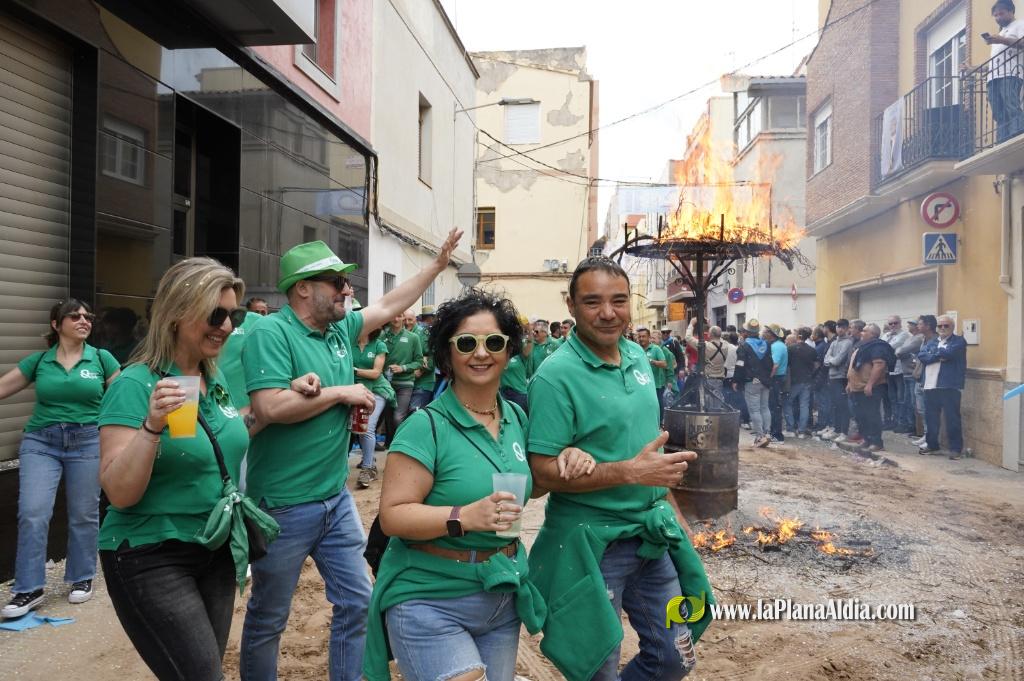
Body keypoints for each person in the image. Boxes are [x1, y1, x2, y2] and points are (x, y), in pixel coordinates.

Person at [240, 231, 461, 681]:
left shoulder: (339, 328)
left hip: (334, 499)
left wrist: (436, 267)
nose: (346, 289)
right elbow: (269, 407)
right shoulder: (271, 332)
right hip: (282, 504)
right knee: (268, 618)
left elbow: (389, 305)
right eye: (335, 282)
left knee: (358, 599)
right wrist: (342, 392)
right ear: (303, 288)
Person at [365, 290, 577, 681]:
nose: (481, 353)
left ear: (509, 351)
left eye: (493, 342)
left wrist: (566, 461)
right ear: (447, 354)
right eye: (467, 343)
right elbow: (392, 516)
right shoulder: (425, 426)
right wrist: (464, 516)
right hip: (430, 597)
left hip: (500, 595)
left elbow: (532, 485)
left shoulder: (515, 416)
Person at [526, 257, 713, 681]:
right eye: (592, 302)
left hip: (650, 537)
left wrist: (673, 512)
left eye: (619, 301)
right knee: (597, 667)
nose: (607, 313)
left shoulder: (638, 357)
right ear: (571, 306)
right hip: (592, 546)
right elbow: (539, 475)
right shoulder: (556, 377)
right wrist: (628, 473)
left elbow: (647, 454)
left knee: (675, 656)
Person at [96, 259, 252, 680]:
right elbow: (120, 491)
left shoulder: (204, 380)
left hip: (214, 547)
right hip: (152, 553)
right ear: (178, 312)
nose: (226, 326)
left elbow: (196, 448)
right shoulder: (134, 384)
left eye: (232, 315)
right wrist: (151, 425)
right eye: (215, 314)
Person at [0, 300, 119, 619]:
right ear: (56, 324)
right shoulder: (39, 361)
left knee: (83, 513)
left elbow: (122, 397)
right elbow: (2, 387)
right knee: (32, 513)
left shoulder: (102, 359)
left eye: (87, 316)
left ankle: (81, 578)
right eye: (75, 316)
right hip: (41, 442)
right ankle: (28, 588)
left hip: (87, 440)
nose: (84, 320)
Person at [917, 315, 968, 459]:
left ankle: (955, 449)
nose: (943, 328)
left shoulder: (959, 341)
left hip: (949, 386)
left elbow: (950, 353)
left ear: (952, 327)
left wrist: (933, 355)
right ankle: (932, 445)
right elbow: (921, 355)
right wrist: (938, 356)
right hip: (930, 386)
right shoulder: (933, 341)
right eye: (940, 326)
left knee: (952, 419)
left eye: (946, 326)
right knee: (931, 419)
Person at [353, 320, 396, 489]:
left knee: (368, 428)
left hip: (377, 390)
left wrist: (354, 370)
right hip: (357, 390)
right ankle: (370, 462)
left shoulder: (379, 345)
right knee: (358, 429)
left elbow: (376, 373)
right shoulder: (349, 344)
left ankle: (367, 468)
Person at [845, 324, 894, 453]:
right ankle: (866, 439)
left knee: (872, 415)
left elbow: (879, 365)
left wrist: (870, 384)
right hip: (857, 387)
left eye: (865, 331)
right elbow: (853, 367)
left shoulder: (877, 346)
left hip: (871, 387)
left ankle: (876, 442)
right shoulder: (862, 346)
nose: (862, 333)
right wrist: (850, 383)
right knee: (861, 415)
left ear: (872, 334)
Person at [984, 1, 1024, 143]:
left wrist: (1001, 40)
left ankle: (1017, 136)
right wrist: (971, 69)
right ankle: (1003, 140)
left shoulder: (1020, 24)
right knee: (998, 113)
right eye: (995, 15)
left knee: (1011, 106)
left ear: (1011, 11)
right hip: (993, 77)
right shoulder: (1000, 33)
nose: (998, 18)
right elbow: (995, 62)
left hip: (1010, 74)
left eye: (1001, 14)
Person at [735, 320, 774, 448]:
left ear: (746, 332)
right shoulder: (767, 345)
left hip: (751, 381)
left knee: (754, 410)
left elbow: (740, 365)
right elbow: (770, 363)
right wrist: (766, 378)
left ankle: (760, 436)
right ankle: (767, 433)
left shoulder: (744, 346)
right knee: (764, 407)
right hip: (765, 381)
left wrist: (736, 380)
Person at [384, 311, 425, 430]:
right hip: (385, 384)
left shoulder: (413, 337)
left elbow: (419, 362)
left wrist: (403, 368)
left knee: (398, 417)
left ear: (403, 318)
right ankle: (389, 444)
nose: (396, 319)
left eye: (399, 316)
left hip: (405, 383)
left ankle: (402, 444)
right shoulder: (382, 336)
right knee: (388, 416)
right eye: (393, 315)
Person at [822, 319, 854, 442]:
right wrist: (831, 361)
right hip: (832, 376)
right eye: (838, 327)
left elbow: (838, 360)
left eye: (842, 327)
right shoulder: (834, 342)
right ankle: (836, 430)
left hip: (841, 377)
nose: (839, 329)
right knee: (835, 405)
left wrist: (831, 361)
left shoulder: (847, 343)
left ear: (847, 329)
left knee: (842, 406)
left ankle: (844, 432)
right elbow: (826, 359)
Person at [785, 333, 817, 438]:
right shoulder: (812, 349)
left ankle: (790, 428)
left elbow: (786, 364)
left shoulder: (791, 349)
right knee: (804, 405)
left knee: (787, 403)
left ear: (798, 337)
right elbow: (816, 364)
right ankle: (802, 431)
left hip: (795, 380)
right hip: (807, 380)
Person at [880, 316, 910, 430]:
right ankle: (892, 421)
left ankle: (901, 422)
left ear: (900, 323)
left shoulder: (904, 335)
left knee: (900, 398)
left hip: (899, 370)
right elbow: (880, 347)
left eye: (895, 323)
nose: (893, 325)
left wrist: (882, 348)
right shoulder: (886, 335)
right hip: (887, 370)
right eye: (890, 323)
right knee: (891, 397)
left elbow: (888, 347)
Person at [500, 313, 533, 413]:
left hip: (520, 395)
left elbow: (529, 345)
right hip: (503, 394)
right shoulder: (501, 354)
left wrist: (529, 330)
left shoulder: (521, 355)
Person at [895, 319, 923, 435]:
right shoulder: (910, 338)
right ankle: (910, 425)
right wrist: (900, 351)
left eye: (910, 325)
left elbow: (901, 350)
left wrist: (900, 352)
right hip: (906, 373)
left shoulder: (918, 338)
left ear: (916, 326)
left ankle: (916, 428)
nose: (908, 326)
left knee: (913, 402)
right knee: (906, 401)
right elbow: (899, 350)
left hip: (912, 374)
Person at [410, 305, 437, 412]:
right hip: (411, 381)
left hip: (424, 382)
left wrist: (421, 369)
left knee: (416, 413)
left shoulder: (426, 333)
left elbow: (432, 358)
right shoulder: (417, 331)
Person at [637, 327, 668, 415]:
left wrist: (651, 361)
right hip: (642, 384)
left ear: (649, 337)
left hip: (656, 384)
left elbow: (664, 364)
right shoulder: (636, 349)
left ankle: (660, 424)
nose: (641, 339)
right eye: (640, 337)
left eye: (644, 336)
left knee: (657, 405)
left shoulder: (656, 349)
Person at [765, 326, 789, 443]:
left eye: (767, 331)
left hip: (775, 378)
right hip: (777, 378)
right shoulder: (777, 345)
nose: (764, 333)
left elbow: (775, 365)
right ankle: (774, 432)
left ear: (772, 334)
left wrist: (768, 378)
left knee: (774, 407)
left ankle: (777, 434)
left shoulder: (777, 346)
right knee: (774, 406)